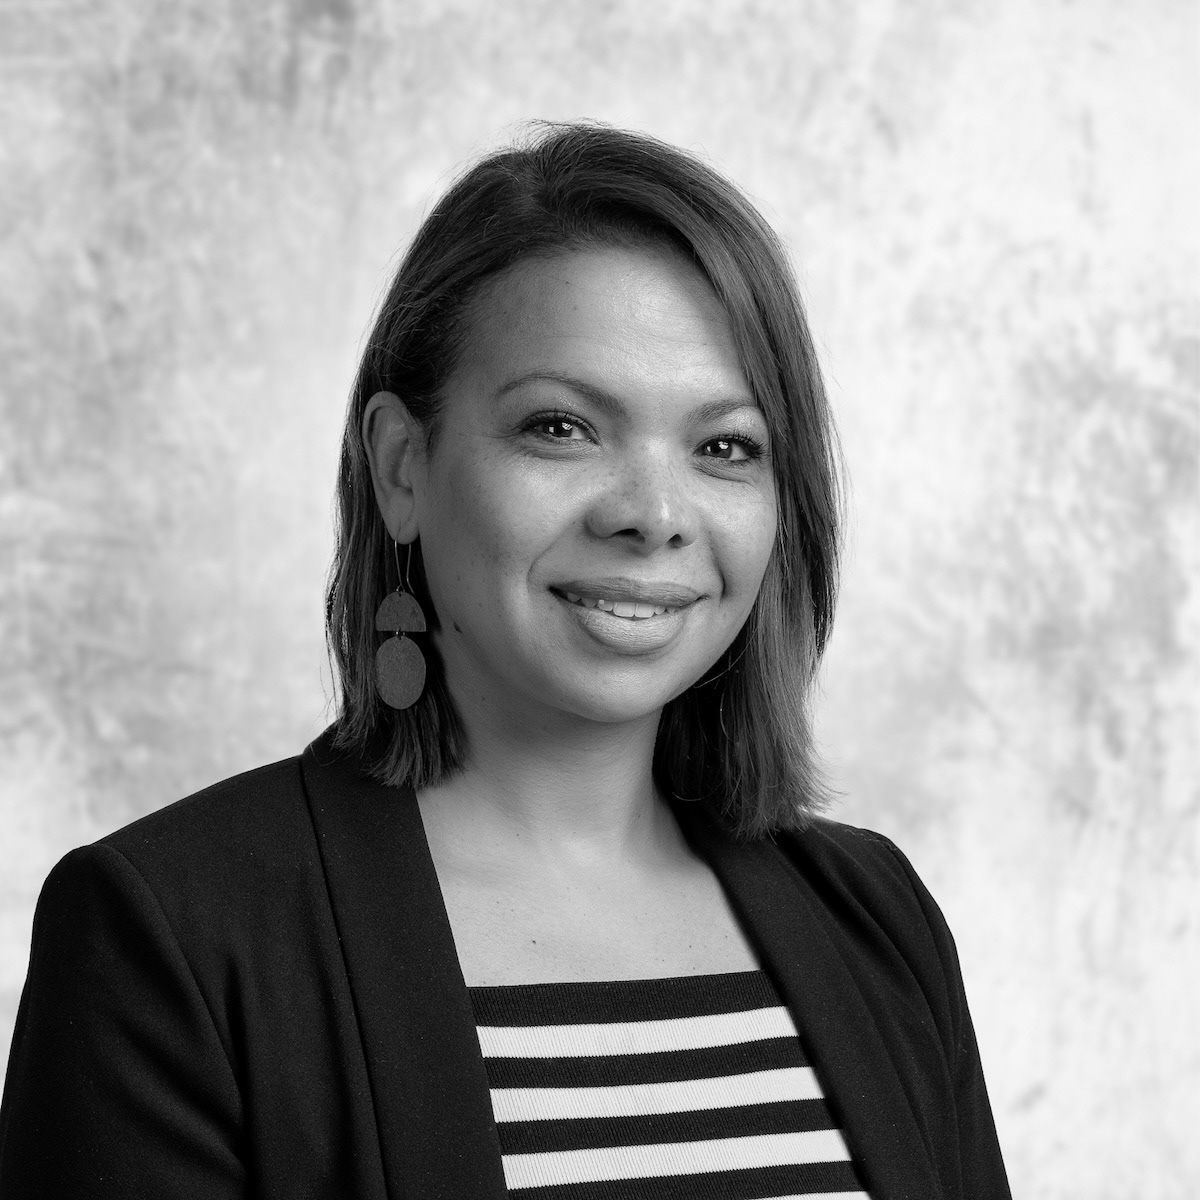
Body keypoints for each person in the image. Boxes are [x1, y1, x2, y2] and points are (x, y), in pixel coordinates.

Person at [0, 123, 1011, 1199]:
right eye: (561, 427)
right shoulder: (169, 936)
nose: (654, 514)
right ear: (402, 466)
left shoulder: (877, 919)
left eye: (725, 446)